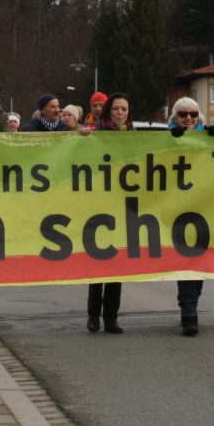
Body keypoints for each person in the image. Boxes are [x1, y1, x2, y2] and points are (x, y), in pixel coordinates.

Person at [166, 96, 214, 335]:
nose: (188, 118)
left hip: (204, 208)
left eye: (193, 114)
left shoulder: (211, 136)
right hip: (170, 209)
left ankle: (189, 304)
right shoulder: (163, 138)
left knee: (197, 262)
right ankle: (189, 313)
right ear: (175, 117)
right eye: (183, 114)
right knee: (185, 259)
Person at [86, 92, 134, 333]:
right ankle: (93, 315)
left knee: (117, 265)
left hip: (122, 206)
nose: (120, 113)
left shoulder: (133, 137)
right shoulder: (97, 133)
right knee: (98, 263)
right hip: (99, 205)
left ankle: (111, 317)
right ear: (108, 110)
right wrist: (83, 136)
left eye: (124, 109)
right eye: (116, 109)